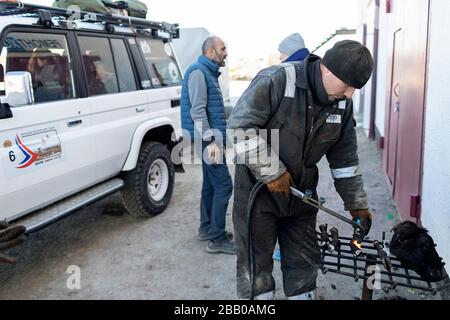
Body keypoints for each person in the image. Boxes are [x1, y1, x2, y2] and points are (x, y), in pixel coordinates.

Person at [227, 40, 374, 299]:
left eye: (355, 89)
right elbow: (239, 127)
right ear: (327, 70)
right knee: (256, 268)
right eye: (347, 85)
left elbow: (345, 160)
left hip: (302, 197)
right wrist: (271, 170)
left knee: (304, 264)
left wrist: (357, 203)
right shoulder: (277, 80)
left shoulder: (341, 104)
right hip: (257, 195)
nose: (350, 94)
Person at [180, 36, 235, 255]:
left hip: (208, 138)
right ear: (210, 52)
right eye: (223, 48)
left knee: (211, 185)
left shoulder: (207, 73)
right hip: (207, 140)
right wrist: (212, 140)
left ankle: (206, 228)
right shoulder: (198, 73)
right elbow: (198, 111)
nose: (226, 52)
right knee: (224, 186)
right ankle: (217, 238)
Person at [273, 32, 310, 262]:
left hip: (285, 148)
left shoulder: (286, 74)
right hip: (301, 153)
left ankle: (284, 247)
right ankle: (292, 247)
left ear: (289, 53)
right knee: (295, 203)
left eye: (282, 54)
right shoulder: (311, 70)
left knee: (282, 204)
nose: (279, 59)